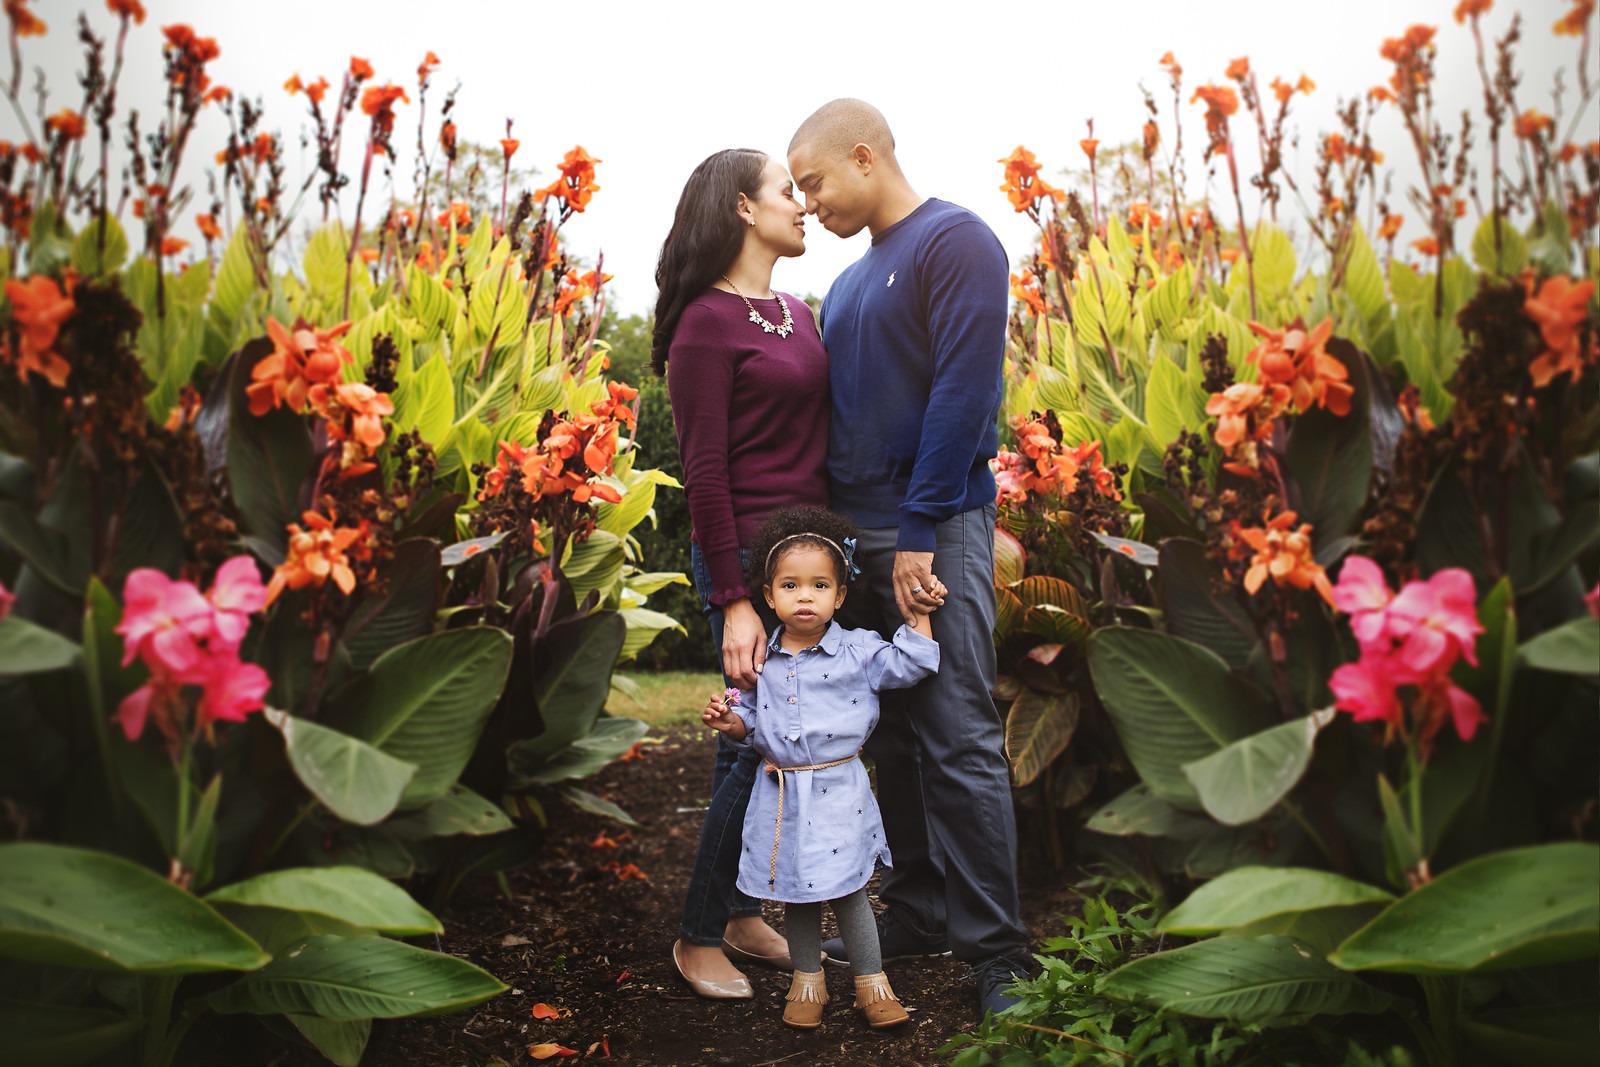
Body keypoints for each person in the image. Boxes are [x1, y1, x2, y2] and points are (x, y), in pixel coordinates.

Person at [786, 98, 1033, 1019]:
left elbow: (967, 394)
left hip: (932, 529)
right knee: (885, 730)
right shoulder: (848, 285)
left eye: (813, 182)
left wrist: (921, 529)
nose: (806, 204)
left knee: (958, 728)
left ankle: (999, 952)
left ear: (863, 156)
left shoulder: (957, 242)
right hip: (855, 542)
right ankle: (925, 905)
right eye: (796, 191)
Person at [652, 148, 830, 999]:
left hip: (809, 562)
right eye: (787, 192)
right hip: (747, 566)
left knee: (786, 749)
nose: (803, 205)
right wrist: (732, 600)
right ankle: (696, 935)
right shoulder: (703, 326)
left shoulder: (797, 311)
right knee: (747, 753)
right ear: (740, 210)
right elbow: (706, 474)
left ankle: (739, 912)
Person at [701, 505, 947, 1029]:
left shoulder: (856, 650)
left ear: (839, 596)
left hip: (840, 791)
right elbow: (752, 727)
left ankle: (871, 982)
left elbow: (910, 664)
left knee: (850, 890)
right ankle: (807, 981)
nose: (805, 596)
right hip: (783, 795)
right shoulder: (761, 660)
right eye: (790, 585)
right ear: (769, 597)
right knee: (798, 892)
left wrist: (919, 613)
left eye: (819, 585)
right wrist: (731, 725)